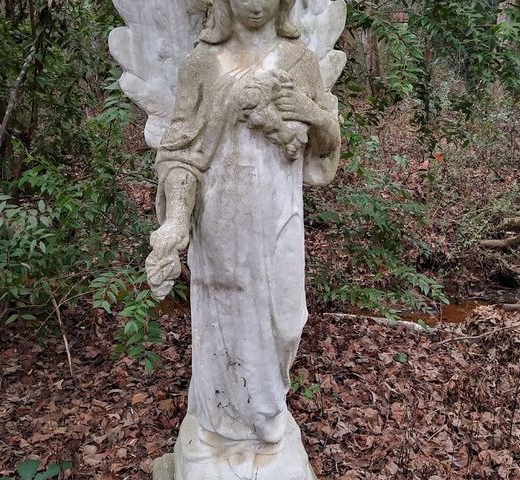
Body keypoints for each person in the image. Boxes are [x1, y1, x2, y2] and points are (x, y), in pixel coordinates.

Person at [145, 0, 341, 477]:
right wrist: (175, 223)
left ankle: (268, 423)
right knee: (224, 330)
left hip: (279, 220)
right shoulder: (200, 63)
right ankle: (220, 435)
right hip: (221, 225)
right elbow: (180, 155)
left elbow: (327, 147)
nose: (255, 3)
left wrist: (313, 114)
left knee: (286, 324)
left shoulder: (299, 60)